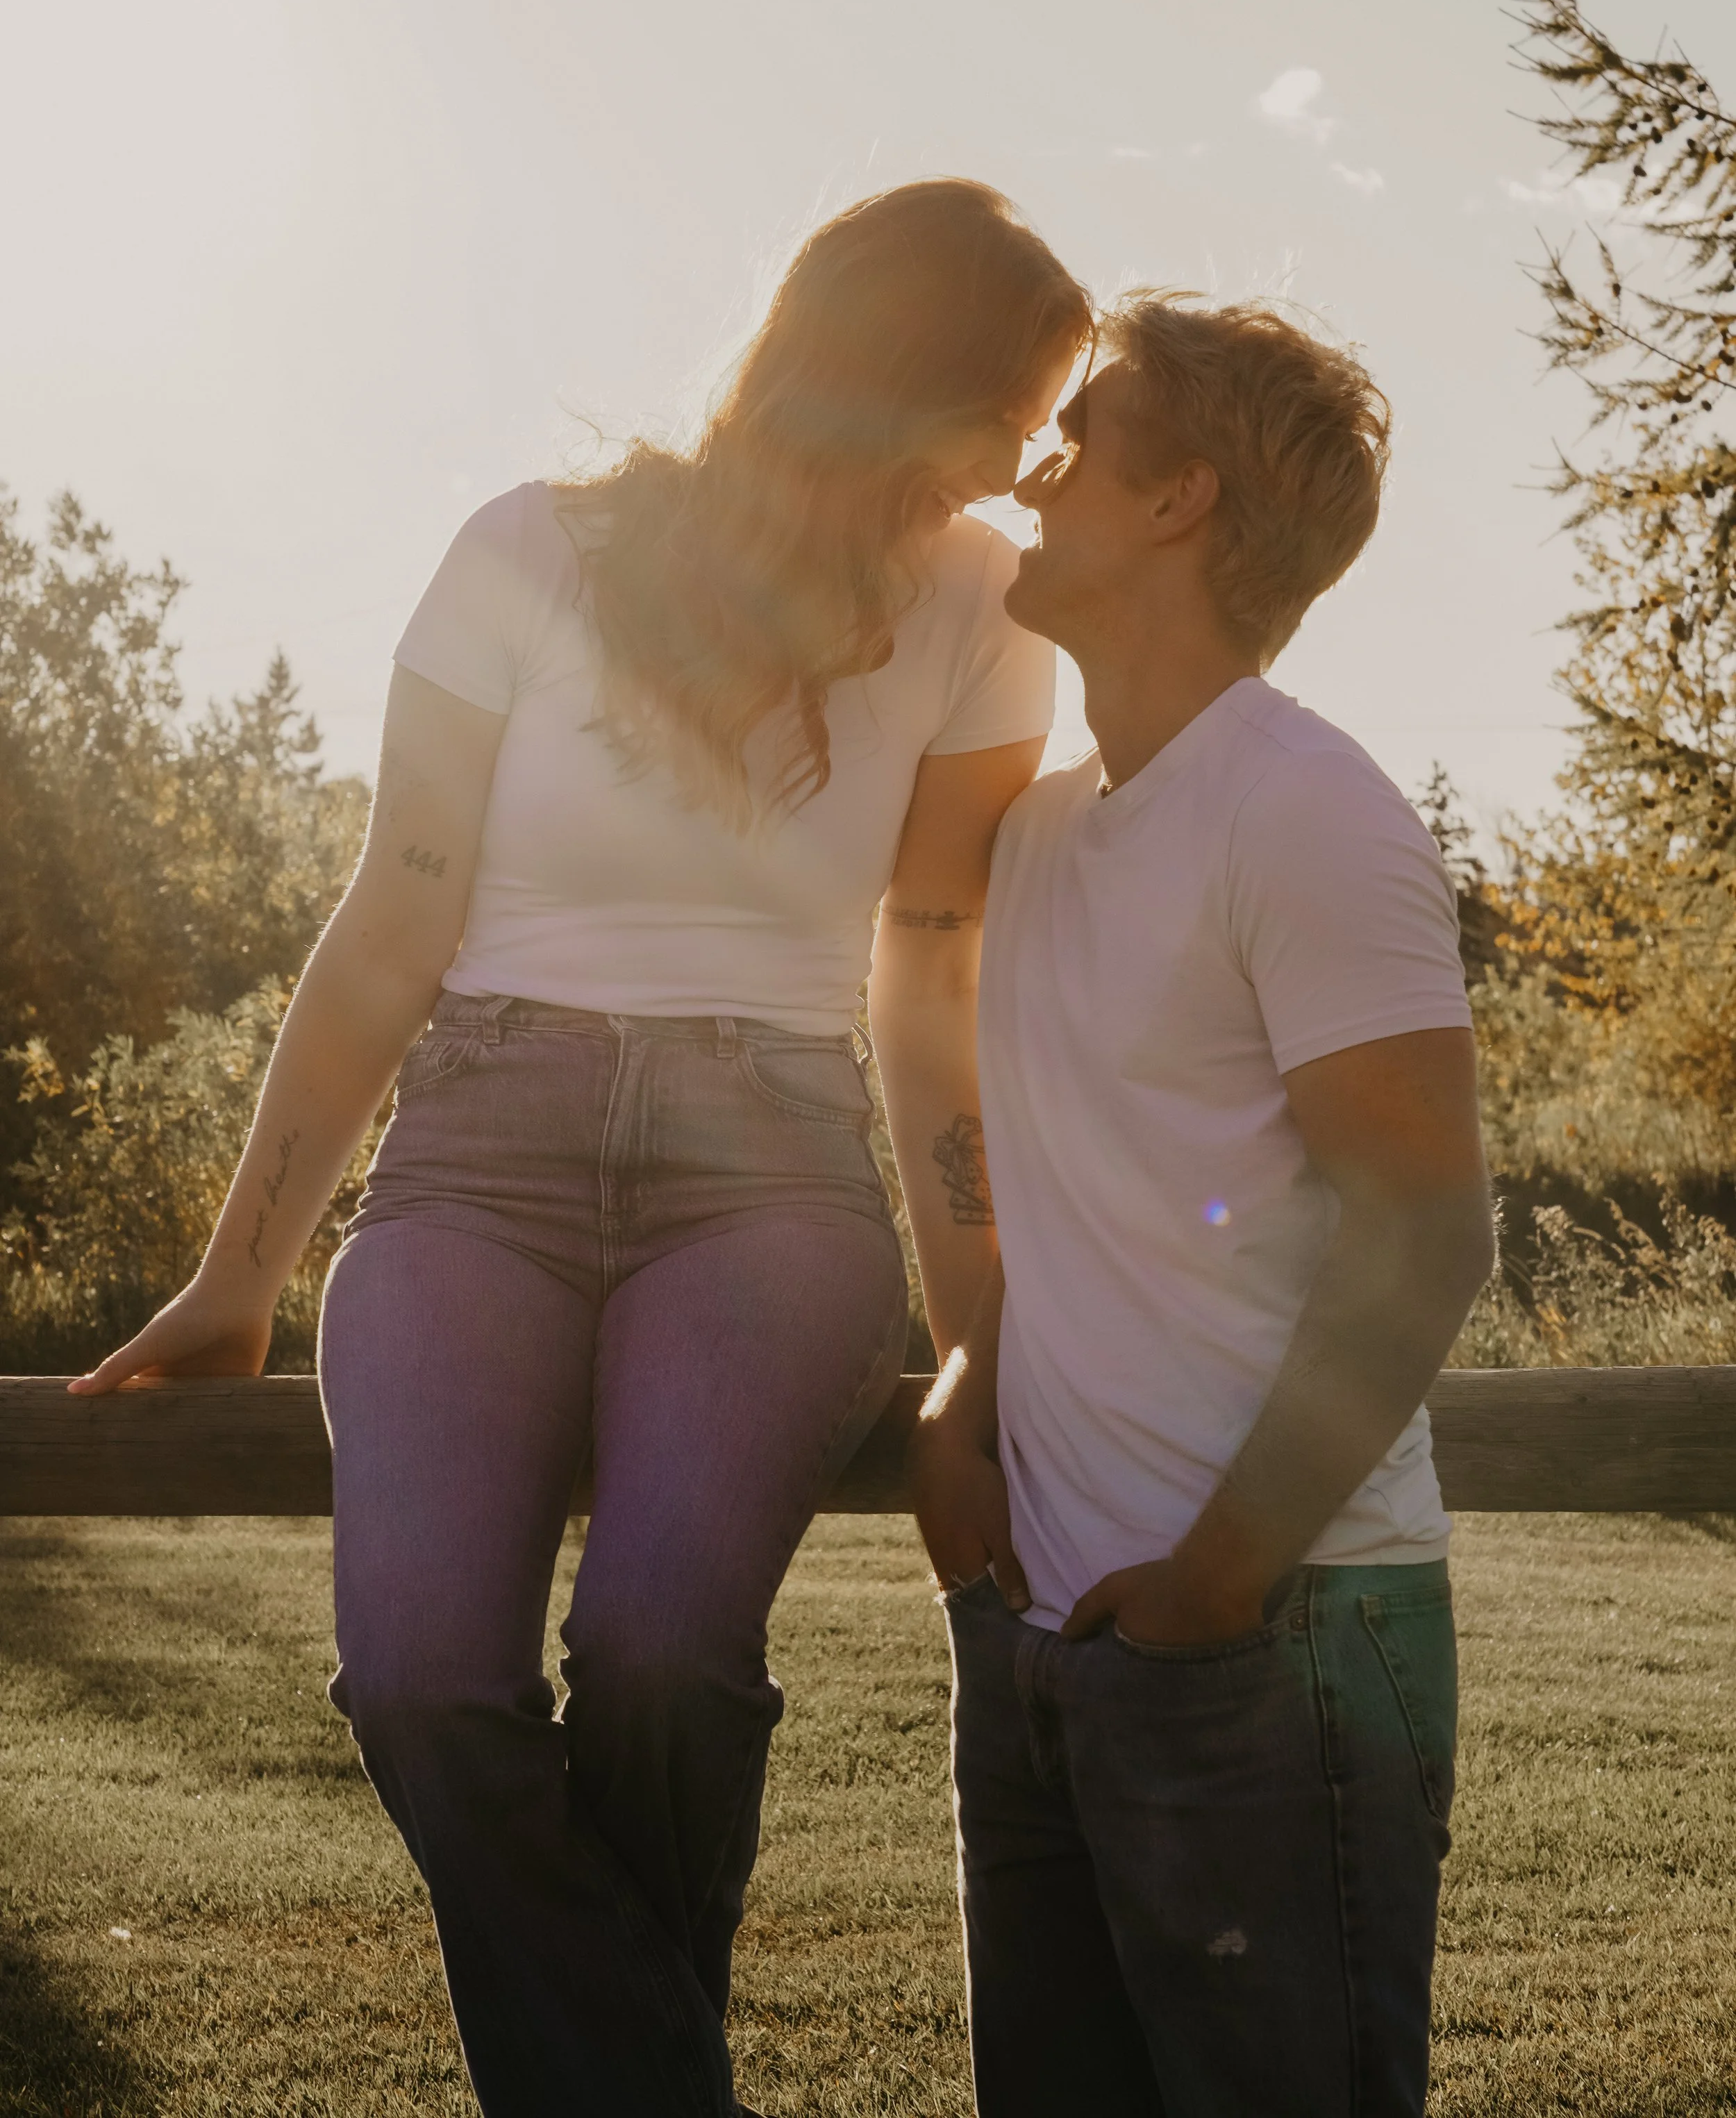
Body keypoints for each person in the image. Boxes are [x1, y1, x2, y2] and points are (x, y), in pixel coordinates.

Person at [72, 181, 1092, 2118]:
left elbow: (930, 970)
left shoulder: (984, 606)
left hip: (773, 1171)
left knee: (659, 1654)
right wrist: (238, 1270)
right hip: (480, 1156)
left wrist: (975, 1335)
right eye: (1012, 405)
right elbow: (395, 918)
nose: (1026, 461)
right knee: (423, 1682)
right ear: (902, 378)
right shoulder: (523, 552)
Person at [912, 292, 1494, 2118]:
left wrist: (1219, 1580)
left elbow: (1425, 1224)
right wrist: (964, 1367)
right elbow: (1058, 1159)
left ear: (1179, 499)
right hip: (1048, 1639)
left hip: (1280, 1641)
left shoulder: (1304, 812)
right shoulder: (1040, 830)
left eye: (1082, 428)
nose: (1035, 461)